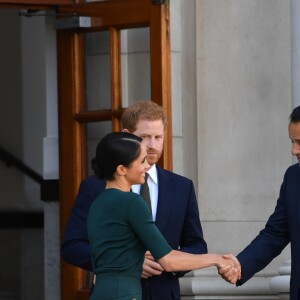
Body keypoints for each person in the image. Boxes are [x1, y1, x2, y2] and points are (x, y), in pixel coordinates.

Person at [61, 100, 208, 300]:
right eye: (145, 137)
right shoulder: (96, 187)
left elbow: (197, 246)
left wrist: (167, 262)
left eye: (158, 137)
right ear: (127, 136)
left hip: (164, 293)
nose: (153, 146)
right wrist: (127, 263)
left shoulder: (182, 187)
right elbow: (72, 246)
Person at [87, 131, 238, 300]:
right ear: (122, 169)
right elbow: (169, 260)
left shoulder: (97, 203)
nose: (147, 166)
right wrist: (217, 259)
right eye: (142, 161)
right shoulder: (132, 202)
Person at [219, 105, 300, 300]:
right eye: (292, 141)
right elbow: (275, 234)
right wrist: (239, 266)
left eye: (299, 142)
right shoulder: (293, 178)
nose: (294, 150)